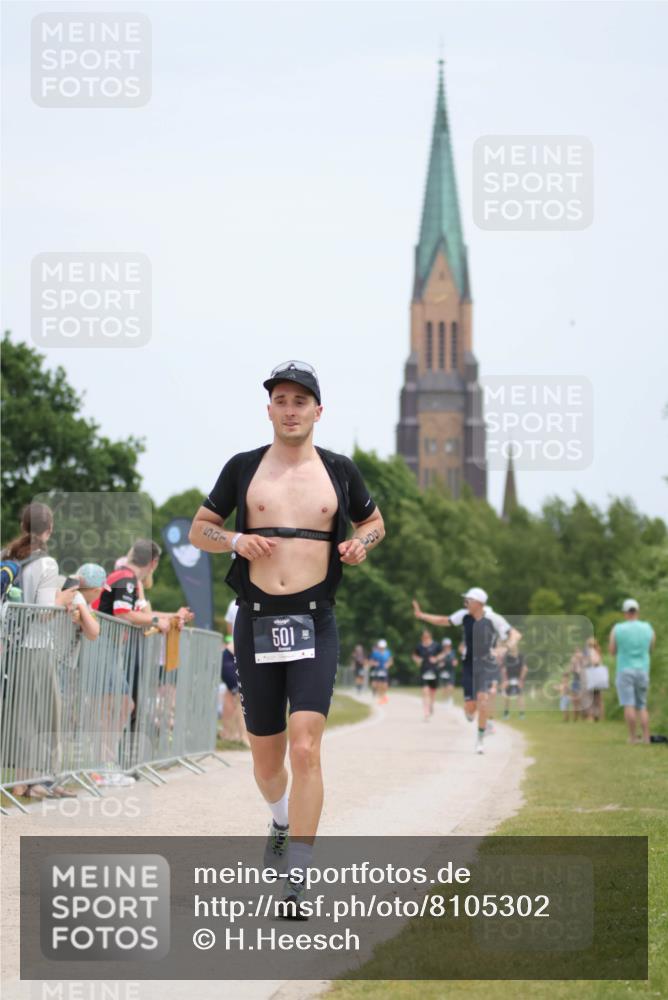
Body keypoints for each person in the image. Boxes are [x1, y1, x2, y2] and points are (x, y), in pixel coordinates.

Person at [188, 360, 384, 916]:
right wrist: (234, 540)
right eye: (281, 399)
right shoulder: (245, 468)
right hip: (256, 621)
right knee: (266, 756)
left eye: (301, 400)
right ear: (269, 408)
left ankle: (297, 879)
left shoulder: (340, 472)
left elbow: (373, 523)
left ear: (318, 411)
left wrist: (359, 545)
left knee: (306, 747)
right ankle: (278, 818)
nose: (291, 409)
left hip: (314, 621)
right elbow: (200, 528)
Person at [2, 503, 76, 800]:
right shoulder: (47, 564)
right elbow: (44, 611)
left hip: (11, 645)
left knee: (23, 717)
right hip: (36, 646)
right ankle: (33, 783)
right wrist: (64, 597)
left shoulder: (7, 556)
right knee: (45, 716)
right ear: (50, 529)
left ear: (23, 526)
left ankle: (29, 782)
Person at [413, 588, 520, 754]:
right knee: (470, 708)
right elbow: (443, 620)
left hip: (486, 665)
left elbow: (515, 635)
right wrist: (422, 616)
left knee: (483, 699)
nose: (465, 603)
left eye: (468, 600)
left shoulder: (493, 618)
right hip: (469, 665)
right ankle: (471, 711)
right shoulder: (464, 615)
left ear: (478, 603)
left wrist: (503, 648)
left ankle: (480, 739)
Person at [609, 599, 655, 744]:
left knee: (629, 704)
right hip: (643, 669)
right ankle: (647, 737)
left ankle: (633, 737)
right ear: (637, 611)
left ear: (625, 613)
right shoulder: (648, 627)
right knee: (642, 704)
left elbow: (612, 651)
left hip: (624, 669)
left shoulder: (617, 628)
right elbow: (651, 648)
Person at [219, 634, 250, 747]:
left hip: (230, 658)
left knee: (231, 698)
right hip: (230, 660)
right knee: (242, 700)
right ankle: (243, 736)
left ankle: (229, 733)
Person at [412, 628, 441, 721]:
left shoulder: (436, 645)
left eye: (427, 637)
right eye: (424, 637)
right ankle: (426, 712)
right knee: (425, 692)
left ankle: (431, 705)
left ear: (430, 637)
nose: (425, 639)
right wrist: (417, 660)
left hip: (434, 672)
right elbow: (414, 655)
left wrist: (436, 658)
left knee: (432, 693)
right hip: (424, 671)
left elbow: (443, 654)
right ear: (422, 637)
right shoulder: (419, 646)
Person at [583, 637, 609, 722]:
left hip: (593, 677)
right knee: (598, 698)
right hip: (598, 678)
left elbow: (594, 662)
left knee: (591, 697)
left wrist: (587, 663)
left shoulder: (591, 652)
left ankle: (591, 716)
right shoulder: (598, 651)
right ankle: (600, 716)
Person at [501, 643, 528, 719]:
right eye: (512, 646)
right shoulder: (506, 657)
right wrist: (505, 680)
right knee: (507, 696)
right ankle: (506, 714)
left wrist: (521, 680)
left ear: (517, 647)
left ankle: (522, 714)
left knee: (520, 696)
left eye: (514, 646)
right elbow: (503, 669)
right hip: (509, 678)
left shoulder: (521, 656)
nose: (513, 648)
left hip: (518, 678)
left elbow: (525, 668)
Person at [368, 639, 393, 704]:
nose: (382, 648)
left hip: (384, 670)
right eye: (381, 647)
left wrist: (388, 664)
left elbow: (390, 661)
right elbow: (370, 661)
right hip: (378, 670)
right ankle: (381, 698)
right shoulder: (375, 653)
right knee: (379, 684)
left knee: (385, 685)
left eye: (383, 647)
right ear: (379, 647)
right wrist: (374, 663)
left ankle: (383, 695)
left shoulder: (388, 652)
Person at [436, 637, 457, 706]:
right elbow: (437, 660)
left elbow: (455, 661)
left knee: (450, 686)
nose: (446, 647)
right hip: (443, 672)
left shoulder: (453, 652)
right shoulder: (441, 653)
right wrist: (440, 663)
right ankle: (445, 700)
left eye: (448, 645)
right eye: (445, 645)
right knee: (444, 687)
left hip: (450, 671)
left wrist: (455, 663)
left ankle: (450, 699)